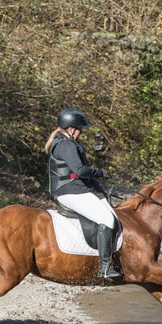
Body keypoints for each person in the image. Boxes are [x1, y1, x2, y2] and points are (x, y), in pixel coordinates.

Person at [44, 107, 122, 279]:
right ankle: (104, 267)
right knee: (107, 219)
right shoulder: (66, 145)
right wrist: (100, 173)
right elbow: (80, 171)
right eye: (79, 129)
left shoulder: (65, 143)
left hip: (74, 189)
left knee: (107, 209)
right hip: (70, 191)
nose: (81, 133)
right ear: (71, 129)